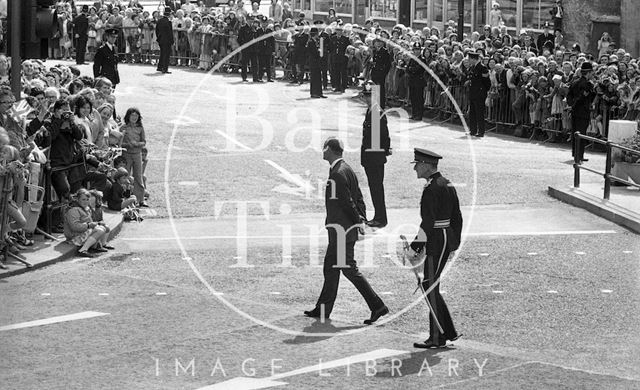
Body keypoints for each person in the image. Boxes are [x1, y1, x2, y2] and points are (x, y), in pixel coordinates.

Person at [304, 137, 388, 324]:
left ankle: (377, 306)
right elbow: (358, 198)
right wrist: (362, 219)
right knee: (331, 268)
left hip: (341, 230)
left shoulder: (338, 174)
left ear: (330, 150)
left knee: (349, 269)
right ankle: (323, 309)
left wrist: (359, 221)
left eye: (323, 148)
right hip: (342, 229)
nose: (322, 152)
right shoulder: (346, 169)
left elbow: (347, 202)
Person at [409, 148, 463, 349]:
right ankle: (447, 332)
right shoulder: (446, 183)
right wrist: (454, 240)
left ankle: (437, 337)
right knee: (430, 285)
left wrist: (415, 247)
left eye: (417, 164)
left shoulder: (432, 188)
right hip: (445, 237)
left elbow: (428, 222)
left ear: (425, 165)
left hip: (437, 239)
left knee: (429, 286)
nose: (415, 168)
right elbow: (457, 217)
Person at [360, 82, 391, 228]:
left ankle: (380, 217)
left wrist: (382, 152)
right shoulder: (371, 111)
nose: (367, 99)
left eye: (369, 96)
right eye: (366, 96)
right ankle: (379, 216)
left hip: (374, 159)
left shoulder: (376, 112)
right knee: (375, 188)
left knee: (377, 188)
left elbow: (382, 137)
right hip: (371, 158)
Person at [64, 188, 113, 258]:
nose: (86, 202)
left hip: (82, 232)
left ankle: (98, 245)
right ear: (77, 199)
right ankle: (83, 250)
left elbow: (89, 222)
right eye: (83, 199)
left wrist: (97, 223)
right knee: (100, 230)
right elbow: (74, 227)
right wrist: (89, 225)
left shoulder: (86, 208)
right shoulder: (73, 210)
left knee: (105, 227)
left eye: (87, 199)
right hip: (74, 236)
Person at [566, 61, 596, 163]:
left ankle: (577, 154)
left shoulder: (575, 82)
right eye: (591, 72)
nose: (592, 75)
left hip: (575, 111)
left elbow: (569, 95)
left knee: (576, 132)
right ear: (588, 73)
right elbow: (584, 97)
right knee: (581, 134)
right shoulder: (587, 84)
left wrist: (571, 105)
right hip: (582, 112)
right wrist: (575, 104)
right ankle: (579, 155)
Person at [120, 107, 147, 207]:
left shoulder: (140, 127)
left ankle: (140, 199)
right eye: (132, 115)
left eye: (136, 115)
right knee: (125, 176)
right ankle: (126, 198)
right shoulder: (123, 127)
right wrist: (127, 144)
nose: (134, 117)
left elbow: (144, 142)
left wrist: (137, 143)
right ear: (128, 116)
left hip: (137, 154)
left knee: (138, 176)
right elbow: (119, 143)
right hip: (126, 154)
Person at [465, 52, 490, 137]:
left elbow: (486, 81)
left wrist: (483, 91)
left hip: (479, 93)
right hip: (473, 93)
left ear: (473, 59)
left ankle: (481, 131)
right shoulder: (473, 67)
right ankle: (473, 130)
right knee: (472, 113)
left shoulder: (482, 68)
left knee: (479, 113)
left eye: (469, 59)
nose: (468, 60)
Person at [406, 42, 427, 120]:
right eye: (415, 49)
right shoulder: (412, 59)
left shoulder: (422, 59)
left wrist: (412, 69)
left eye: (418, 49)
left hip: (419, 81)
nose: (417, 51)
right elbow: (408, 69)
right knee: (413, 98)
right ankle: (414, 113)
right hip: (412, 81)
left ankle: (419, 115)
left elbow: (418, 70)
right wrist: (411, 69)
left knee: (419, 98)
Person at [370, 36, 391, 108]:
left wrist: (384, 73)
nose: (378, 44)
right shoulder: (375, 51)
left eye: (380, 42)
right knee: (375, 88)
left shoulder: (385, 52)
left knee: (381, 89)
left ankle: (381, 104)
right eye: (376, 42)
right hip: (375, 72)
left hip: (381, 73)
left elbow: (388, 64)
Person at [306, 27, 326, 98]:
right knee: (314, 78)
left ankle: (319, 92)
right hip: (313, 61)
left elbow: (321, 51)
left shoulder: (316, 41)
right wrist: (319, 51)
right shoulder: (310, 42)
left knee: (318, 78)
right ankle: (313, 93)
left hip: (317, 61)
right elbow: (314, 52)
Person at [329, 25, 349, 93]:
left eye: (340, 31)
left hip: (343, 58)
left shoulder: (345, 39)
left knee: (343, 73)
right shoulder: (333, 38)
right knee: (336, 72)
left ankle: (343, 87)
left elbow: (347, 49)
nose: (339, 32)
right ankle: (337, 86)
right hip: (335, 57)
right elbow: (331, 48)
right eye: (337, 30)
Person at [156, 7, 174, 74]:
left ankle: (160, 67)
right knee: (166, 55)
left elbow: (157, 30)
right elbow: (170, 32)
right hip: (167, 40)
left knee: (162, 53)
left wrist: (158, 38)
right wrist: (172, 41)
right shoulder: (168, 22)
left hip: (161, 39)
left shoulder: (160, 21)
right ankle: (165, 69)